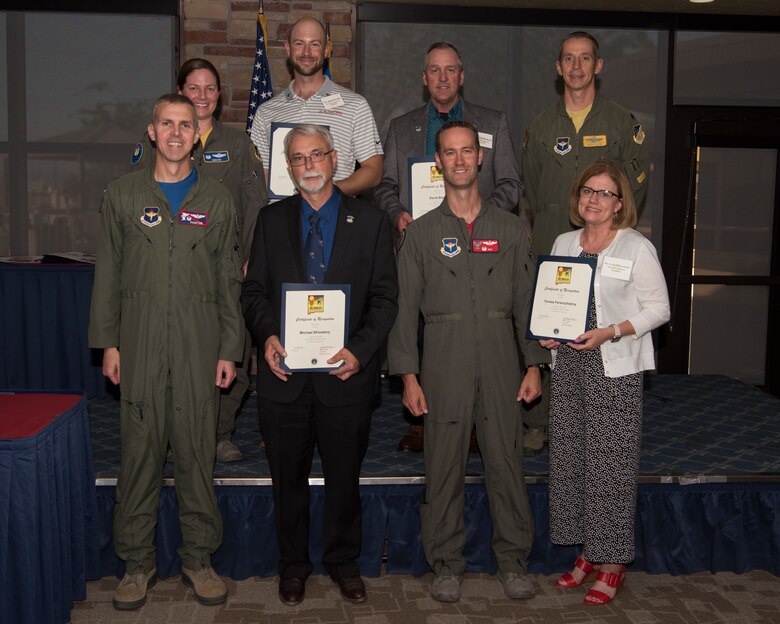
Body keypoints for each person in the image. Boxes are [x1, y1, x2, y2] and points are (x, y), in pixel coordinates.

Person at [89, 94, 244, 610]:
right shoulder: (122, 195)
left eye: (186, 124)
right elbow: (107, 275)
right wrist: (109, 343)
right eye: (167, 124)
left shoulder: (218, 199)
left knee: (198, 456)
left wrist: (229, 347)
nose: (176, 132)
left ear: (195, 134)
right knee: (139, 457)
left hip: (201, 346)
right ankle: (136, 565)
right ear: (152, 132)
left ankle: (199, 560)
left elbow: (229, 282)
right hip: (139, 343)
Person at [387, 121, 550, 603]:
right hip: (443, 359)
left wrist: (534, 364)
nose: (459, 160)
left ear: (481, 159)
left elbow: (527, 301)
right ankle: (446, 563)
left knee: (507, 460)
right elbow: (403, 313)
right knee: (442, 465)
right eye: (449, 153)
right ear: (437, 163)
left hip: (504, 357)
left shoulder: (512, 228)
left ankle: (514, 560)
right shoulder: (420, 234)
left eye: (467, 152)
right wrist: (409, 378)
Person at [242, 124, 397, 606]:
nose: (309, 165)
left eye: (317, 155)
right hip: (283, 377)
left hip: (345, 375)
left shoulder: (370, 223)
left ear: (335, 160)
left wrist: (360, 351)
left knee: (344, 477)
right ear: (288, 169)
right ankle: (292, 566)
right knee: (286, 480)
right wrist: (267, 336)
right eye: (298, 158)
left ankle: (343, 563)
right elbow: (253, 291)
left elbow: (386, 298)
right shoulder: (269, 221)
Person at [374, 41, 523, 453]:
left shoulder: (492, 123)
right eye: (434, 71)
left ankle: (478, 421)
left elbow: (511, 183)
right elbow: (385, 186)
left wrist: (479, 218)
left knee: (477, 331)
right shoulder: (402, 128)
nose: (442, 78)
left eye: (450, 70)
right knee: (423, 332)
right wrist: (398, 214)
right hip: (421, 246)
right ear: (424, 79)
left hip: (485, 249)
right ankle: (425, 422)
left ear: (462, 75)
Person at [540, 160, 669, 605]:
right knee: (572, 459)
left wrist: (612, 331)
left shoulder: (635, 247)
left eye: (604, 193)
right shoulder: (563, 242)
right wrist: (548, 330)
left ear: (619, 204)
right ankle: (585, 553)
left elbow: (659, 309)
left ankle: (612, 563)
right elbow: (554, 299)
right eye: (587, 191)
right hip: (570, 367)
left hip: (612, 366)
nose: (594, 199)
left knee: (609, 465)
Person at [131, 58, 267, 463]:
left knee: (233, 349)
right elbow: (137, 201)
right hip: (173, 270)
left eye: (210, 89)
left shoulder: (239, 144)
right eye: (194, 88)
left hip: (227, 268)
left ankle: (219, 433)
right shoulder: (157, 141)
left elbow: (255, 205)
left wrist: (250, 259)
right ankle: (172, 434)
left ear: (220, 96)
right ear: (180, 92)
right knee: (173, 352)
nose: (203, 96)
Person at [522, 30, 650, 455]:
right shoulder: (540, 126)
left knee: (594, 332)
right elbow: (533, 189)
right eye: (568, 59)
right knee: (550, 328)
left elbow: (632, 187)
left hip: (602, 245)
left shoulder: (620, 122)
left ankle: (596, 421)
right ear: (558, 68)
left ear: (598, 66)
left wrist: (614, 231)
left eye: (585, 58)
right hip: (553, 244)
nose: (576, 67)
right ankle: (539, 420)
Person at [249, 17, 383, 197]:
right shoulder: (266, 112)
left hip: (336, 218)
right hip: (282, 217)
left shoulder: (355, 106)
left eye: (315, 44)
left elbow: (374, 171)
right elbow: (260, 175)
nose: (306, 52)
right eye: (299, 43)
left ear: (326, 50)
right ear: (288, 48)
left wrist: (329, 191)